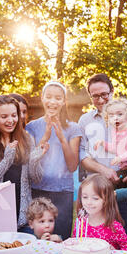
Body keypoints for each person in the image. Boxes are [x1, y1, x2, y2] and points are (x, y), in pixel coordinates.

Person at [78, 73, 127, 250]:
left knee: (126, 236)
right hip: (96, 189)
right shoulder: (85, 120)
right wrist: (103, 170)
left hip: (124, 185)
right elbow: (82, 154)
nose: (101, 99)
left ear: (112, 91)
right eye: (95, 96)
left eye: (104, 94)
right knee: (97, 239)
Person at [0, 95, 46, 230]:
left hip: (23, 219)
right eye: (4, 117)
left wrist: (34, 160)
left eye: (14, 115)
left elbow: (36, 179)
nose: (10, 120)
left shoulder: (26, 140)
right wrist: (6, 161)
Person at [26, 80, 82, 240]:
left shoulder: (74, 128)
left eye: (58, 98)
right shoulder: (31, 127)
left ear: (64, 101)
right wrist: (45, 136)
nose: (52, 101)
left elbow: (72, 166)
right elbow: (30, 161)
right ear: (42, 98)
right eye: (48, 97)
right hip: (37, 190)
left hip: (63, 192)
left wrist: (62, 138)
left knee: (60, 239)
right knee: (38, 240)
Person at [74, 173, 127, 251]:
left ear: (106, 200)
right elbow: (75, 242)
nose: (89, 202)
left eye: (95, 198)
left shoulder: (114, 227)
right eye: (85, 197)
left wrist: (114, 251)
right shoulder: (80, 222)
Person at [94, 98, 127, 189]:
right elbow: (116, 148)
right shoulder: (115, 130)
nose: (115, 118)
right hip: (124, 167)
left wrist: (121, 157)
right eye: (111, 115)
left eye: (120, 114)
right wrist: (103, 144)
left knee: (112, 188)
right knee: (108, 187)